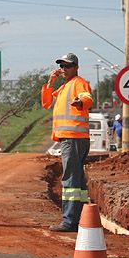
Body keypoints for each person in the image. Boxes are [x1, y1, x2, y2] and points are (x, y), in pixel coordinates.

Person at [41, 52, 93, 232]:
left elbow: (87, 97)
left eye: (67, 66)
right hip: (72, 138)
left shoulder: (78, 83)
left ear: (76, 67)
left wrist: (80, 102)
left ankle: (69, 221)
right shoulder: (65, 87)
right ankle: (82, 218)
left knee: (70, 179)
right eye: (62, 66)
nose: (64, 69)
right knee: (77, 179)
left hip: (73, 138)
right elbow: (46, 102)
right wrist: (50, 82)